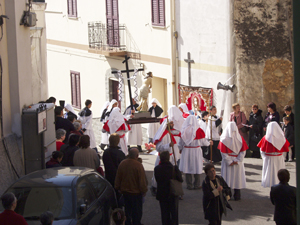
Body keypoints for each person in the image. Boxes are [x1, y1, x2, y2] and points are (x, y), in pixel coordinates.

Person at [150, 109, 181, 196]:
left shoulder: (169, 132)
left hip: (170, 157)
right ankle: (156, 188)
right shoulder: (163, 135)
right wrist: (168, 145)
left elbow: (177, 132)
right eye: (171, 123)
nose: (173, 124)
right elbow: (158, 148)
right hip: (163, 158)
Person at [115, 148, 148, 225]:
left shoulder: (123, 163)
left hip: (125, 192)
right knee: (137, 212)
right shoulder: (138, 165)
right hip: (136, 193)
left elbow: (118, 177)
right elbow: (142, 180)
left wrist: (118, 187)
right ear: (137, 156)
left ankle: (128, 222)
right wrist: (144, 190)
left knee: (127, 211)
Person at [218, 122, 248, 201]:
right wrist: (238, 160)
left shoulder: (223, 139)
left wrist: (229, 161)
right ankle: (237, 195)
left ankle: (227, 195)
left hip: (228, 161)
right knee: (237, 178)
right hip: (237, 161)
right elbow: (243, 151)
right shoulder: (240, 138)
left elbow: (223, 152)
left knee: (227, 178)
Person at [178, 115, 207, 190]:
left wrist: (180, 148)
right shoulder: (199, 130)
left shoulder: (184, 130)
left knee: (187, 167)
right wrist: (209, 143)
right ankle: (197, 184)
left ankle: (189, 185)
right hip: (196, 150)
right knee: (197, 167)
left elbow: (180, 143)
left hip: (186, 150)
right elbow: (203, 142)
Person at [155, 151, 183, 225]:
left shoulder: (157, 168)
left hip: (162, 193)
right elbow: (181, 179)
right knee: (174, 214)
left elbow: (157, 179)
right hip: (172, 193)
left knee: (164, 214)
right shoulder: (174, 168)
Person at [258, 122, 289, 188]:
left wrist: (264, 158)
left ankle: (272, 187)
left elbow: (262, 150)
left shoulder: (266, 138)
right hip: (279, 158)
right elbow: (285, 149)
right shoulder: (282, 138)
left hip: (269, 159)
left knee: (270, 174)